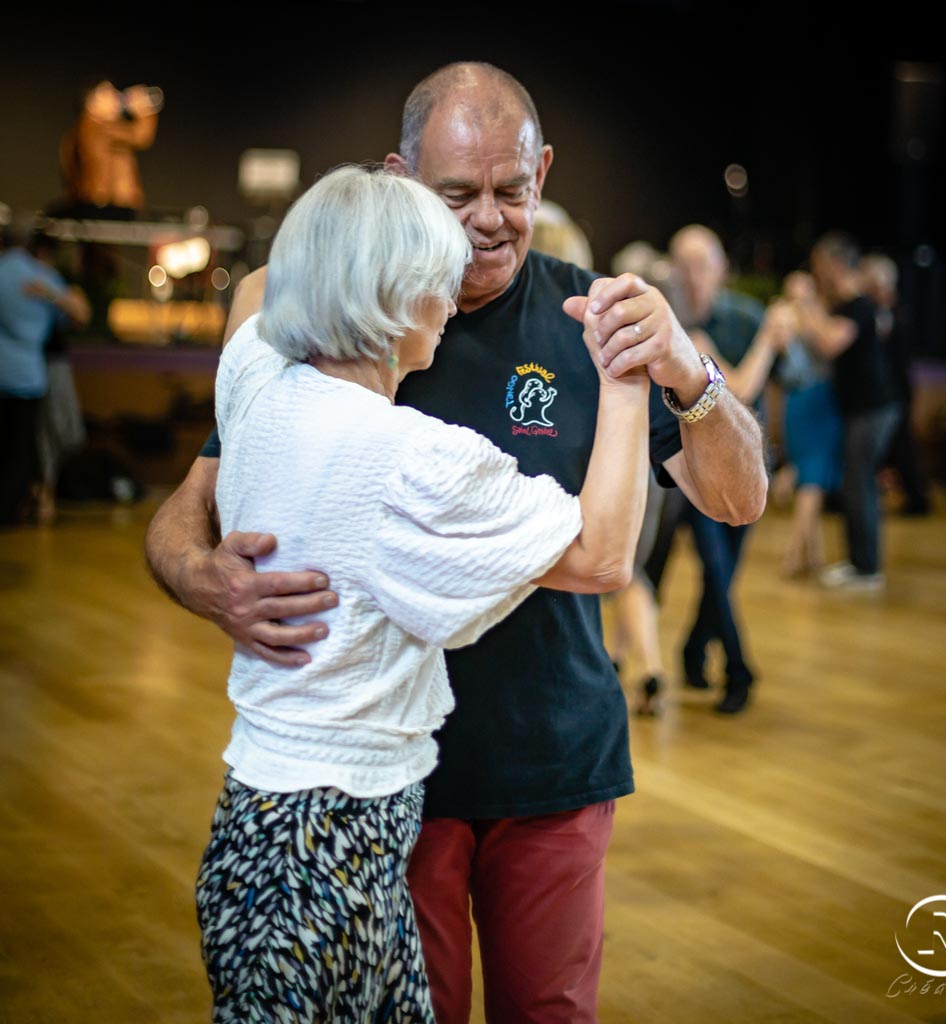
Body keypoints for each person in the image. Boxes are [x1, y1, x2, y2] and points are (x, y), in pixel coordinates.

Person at [146, 63, 767, 1024]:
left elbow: (738, 499)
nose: (487, 220)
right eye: (454, 195)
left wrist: (691, 373)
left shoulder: (592, 320)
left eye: (511, 191)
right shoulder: (323, 337)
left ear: (544, 174)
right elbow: (191, 505)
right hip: (389, 787)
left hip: (550, 765)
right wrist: (199, 575)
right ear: (399, 179)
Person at [197, 163, 653, 1023]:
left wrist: (375, 204)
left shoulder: (257, 382)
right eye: (436, 278)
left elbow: (265, 286)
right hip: (334, 849)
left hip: (253, 826)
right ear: (393, 294)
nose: (453, 299)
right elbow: (599, 555)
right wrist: (625, 378)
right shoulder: (405, 457)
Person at [662, 225, 790, 713]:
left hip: (753, 469)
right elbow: (736, 388)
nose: (692, 276)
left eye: (702, 264)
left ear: (721, 268)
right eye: (683, 265)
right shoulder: (680, 327)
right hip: (694, 471)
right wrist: (769, 339)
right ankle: (739, 670)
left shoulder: (746, 314)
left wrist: (783, 333)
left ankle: (693, 649)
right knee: (716, 568)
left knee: (724, 574)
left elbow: (791, 374)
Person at [795, 232, 901, 590]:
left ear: (833, 264)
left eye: (818, 266)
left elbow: (828, 343)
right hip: (862, 409)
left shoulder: (859, 303)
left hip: (873, 409)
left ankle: (867, 568)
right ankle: (860, 562)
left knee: (860, 485)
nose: (815, 273)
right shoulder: (845, 304)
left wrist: (805, 303)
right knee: (855, 484)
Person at [0, 229, 90, 525]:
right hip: (26, 378)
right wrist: (51, 294)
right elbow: (81, 314)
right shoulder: (40, 277)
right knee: (24, 447)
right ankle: (12, 511)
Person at [774, 270, 844, 577]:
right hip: (809, 400)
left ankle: (812, 555)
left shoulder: (799, 318)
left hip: (811, 401)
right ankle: (793, 554)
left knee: (809, 476)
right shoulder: (790, 321)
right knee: (811, 479)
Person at [861, 253, 932, 517]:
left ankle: (918, 498)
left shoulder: (897, 313)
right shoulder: (878, 311)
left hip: (897, 391)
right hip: (887, 393)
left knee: (904, 446)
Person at [58, 79, 160, 218]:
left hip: (103, 206)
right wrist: (143, 109)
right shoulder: (96, 128)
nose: (116, 98)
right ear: (91, 104)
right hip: (106, 208)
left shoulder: (84, 130)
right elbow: (141, 137)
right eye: (107, 94)